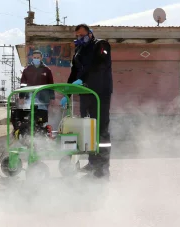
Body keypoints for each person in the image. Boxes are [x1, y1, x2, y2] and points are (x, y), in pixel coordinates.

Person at [60, 24, 113, 180]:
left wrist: (82, 80)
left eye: (82, 35)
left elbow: (99, 66)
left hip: (100, 93)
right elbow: (74, 72)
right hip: (85, 94)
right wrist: (67, 92)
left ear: (90, 34)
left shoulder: (101, 45)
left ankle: (102, 167)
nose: (79, 38)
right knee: (88, 129)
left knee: (101, 129)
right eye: (77, 36)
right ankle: (92, 163)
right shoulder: (79, 51)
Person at [19, 50, 55, 114]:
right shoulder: (27, 70)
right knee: (30, 115)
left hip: (44, 98)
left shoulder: (47, 70)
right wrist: (21, 97)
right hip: (30, 97)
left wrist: (52, 98)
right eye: (34, 58)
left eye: (38, 58)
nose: (36, 59)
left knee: (42, 115)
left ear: (41, 58)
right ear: (32, 58)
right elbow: (23, 84)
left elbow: (51, 85)